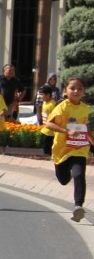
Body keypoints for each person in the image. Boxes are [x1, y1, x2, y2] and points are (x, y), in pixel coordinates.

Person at [45, 77, 90, 223]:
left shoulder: (85, 108)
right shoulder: (62, 107)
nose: (76, 91)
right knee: (64, 180)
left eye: (80, 89)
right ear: (65, 91)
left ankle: (78, 206)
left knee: (79, 174)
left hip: (79, 149)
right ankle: (65, 172)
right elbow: (49, 125)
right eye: (72, 88)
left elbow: (85, 128)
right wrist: (66, 131)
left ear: (84, 92)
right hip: (61, 150)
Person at [38, 84, 59, 157]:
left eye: (42, 94)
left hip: (50, 133)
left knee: (48, 151)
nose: (41, 96)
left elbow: (56, 118)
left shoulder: (52, 104)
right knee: (43, 148)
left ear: (48, 95)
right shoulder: (44, 102)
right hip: (44, 130)